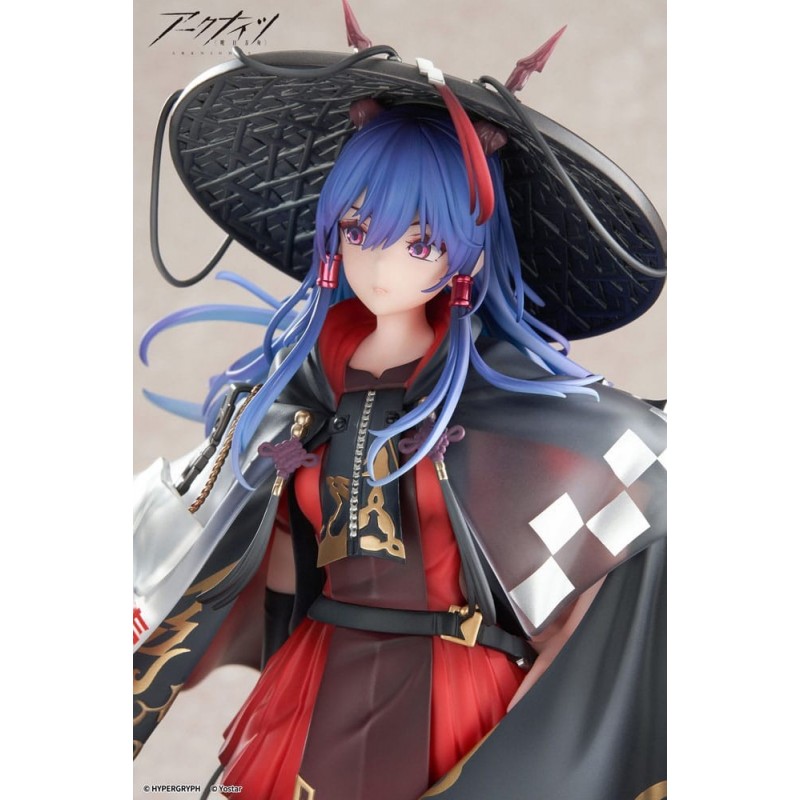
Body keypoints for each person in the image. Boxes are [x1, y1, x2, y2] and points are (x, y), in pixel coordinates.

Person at [134, 32, 666, 800]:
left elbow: (643, 485)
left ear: (467, 252)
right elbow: (257, 547)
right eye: (358, 231)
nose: (382, 266)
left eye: (419, 242)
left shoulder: (504, 398)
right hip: (319, 677)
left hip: (451, 690)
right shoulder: (306, 384)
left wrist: (559, 674)